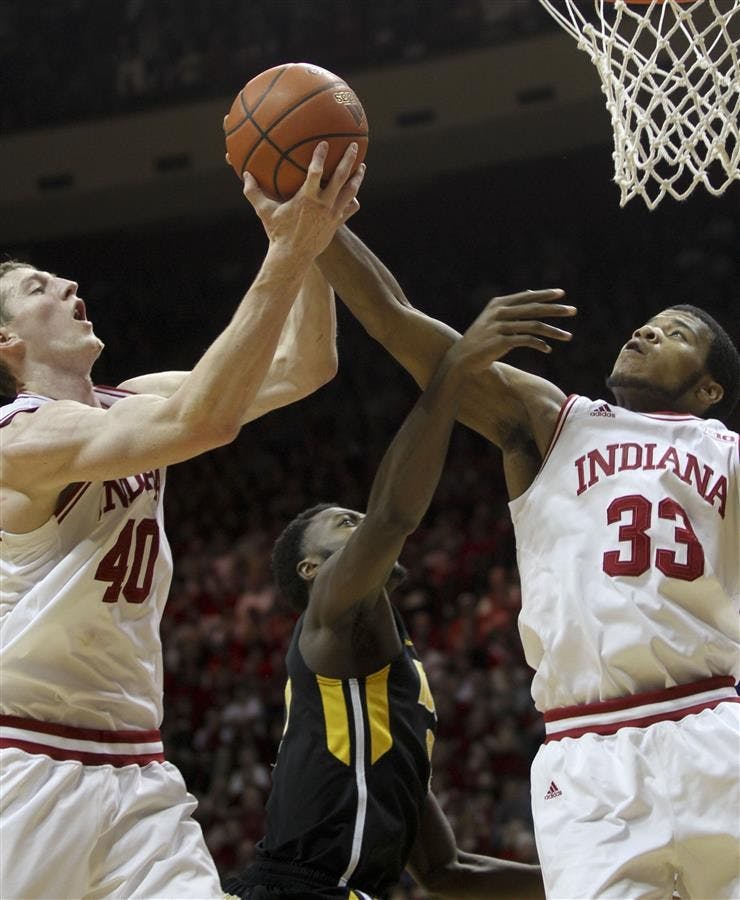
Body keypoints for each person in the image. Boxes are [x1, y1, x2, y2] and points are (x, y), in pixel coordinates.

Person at [313, 225, 740, 900]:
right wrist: (316, 223)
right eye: (649, 324)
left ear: (709, 390)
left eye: (677, 334)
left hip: (713, 727)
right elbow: (395, 322)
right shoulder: (552, 420)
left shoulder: (726, 451)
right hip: (587, 748)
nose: (650, 333)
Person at [0, 143, 364, 900]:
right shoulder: (21, 438)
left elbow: (304, 365)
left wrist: (311, 239)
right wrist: (288, 252)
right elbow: (205, 421)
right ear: (7, 344)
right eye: (38, 287)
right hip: (23, 764)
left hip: (137, 770)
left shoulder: (133, 402)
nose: (68, 283)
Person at [223, 291, 550, 899]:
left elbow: (449, 873)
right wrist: (453, 369)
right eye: (345, 525)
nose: (364, 528)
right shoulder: (329, 622)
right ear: (312, 570)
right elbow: (393, 515)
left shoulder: (391, 694)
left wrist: (587, 884)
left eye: (356, 519)